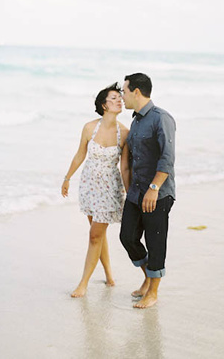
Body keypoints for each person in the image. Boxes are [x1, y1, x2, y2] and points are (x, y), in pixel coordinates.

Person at [61, 83, 130, 298]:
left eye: (120, 98)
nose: (119, 100)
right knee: (97, 234)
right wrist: (67, 178)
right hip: (89, 185)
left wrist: (129, 194)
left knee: (94, 236)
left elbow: (125, 166)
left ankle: (83, 284)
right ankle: (109, 273)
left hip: (110, 189)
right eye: (114, 98)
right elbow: (80, 155)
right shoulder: (89, 127)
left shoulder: (125, 133)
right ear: (104, 105)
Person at [119, 73, 176, 309]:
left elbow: (167, 157)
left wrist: (154, 188)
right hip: (136, 191)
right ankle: (147, 277)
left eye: (124, 91)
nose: (122, 96)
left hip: (158, 193)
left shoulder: (161, 118)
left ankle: (153, 292)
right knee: (128, 237)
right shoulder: (136, 121)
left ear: (137, 92)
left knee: (155, 242)